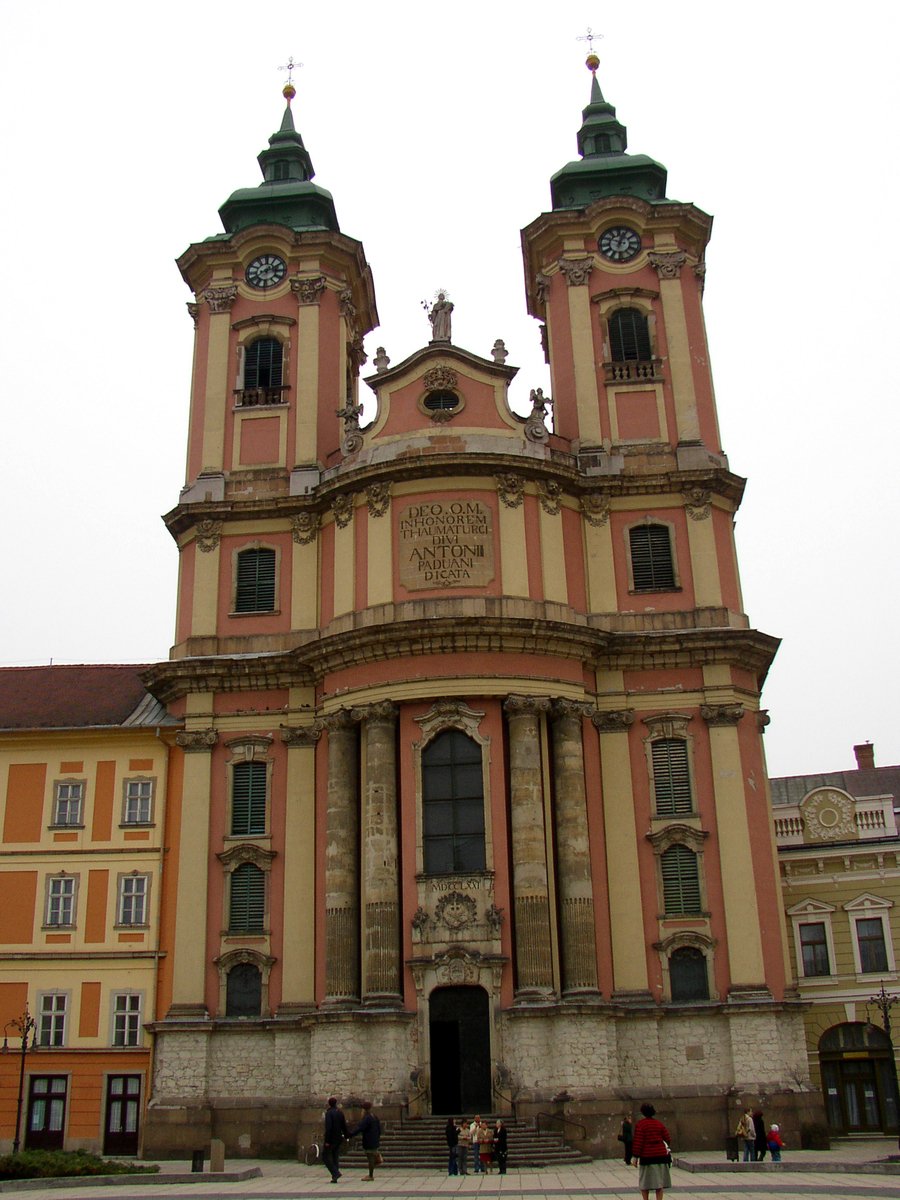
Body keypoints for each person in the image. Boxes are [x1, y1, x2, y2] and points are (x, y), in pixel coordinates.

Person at [630, 1102, 671, 1200]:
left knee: (645, 1183)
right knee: (659, 1183)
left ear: (643, 1112)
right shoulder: (659, 1124)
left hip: (647, 1157)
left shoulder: (641, 1125)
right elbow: (667, 1138)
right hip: (661, 1156)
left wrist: (635, 1157)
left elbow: (638, 1142)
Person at [349, 1100, 382, 1181]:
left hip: (369, 1140)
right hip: (374, 1139)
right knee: (371, 1155)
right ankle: (377, 1157)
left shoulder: (367, 1118)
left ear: (364, 1110)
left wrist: (350, 1134)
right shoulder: (374, 1116)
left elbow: (359, 1128)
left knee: (370, 1157)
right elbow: (379, 1128)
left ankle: (371, 1175)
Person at [322, 1096, 348, 1184]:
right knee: (335, 1156)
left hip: (332, 1138)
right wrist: (346, 1135)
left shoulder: (329, 1113)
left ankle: (335, 1172)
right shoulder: (340, 1112)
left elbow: (328, 1128)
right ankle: (335, 1176)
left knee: (325, 1156)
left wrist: (327, 1141)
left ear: (329, 1104)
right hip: (338, 1137)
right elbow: (344, 1125)